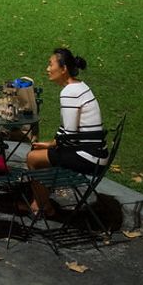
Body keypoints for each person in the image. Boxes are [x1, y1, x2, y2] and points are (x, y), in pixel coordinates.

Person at [26, 47, 108, 215]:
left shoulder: (69, 92)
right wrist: (50, 144)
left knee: (32, 158)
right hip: (97, 152)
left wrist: (51, 147)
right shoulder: (80, 86)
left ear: (63, 69)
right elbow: (68, 130)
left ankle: (43, 206)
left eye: (50, 65)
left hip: (89, 158)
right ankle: (39, 201)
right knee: (39, 151)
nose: (47, 69)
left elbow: (69, 135)